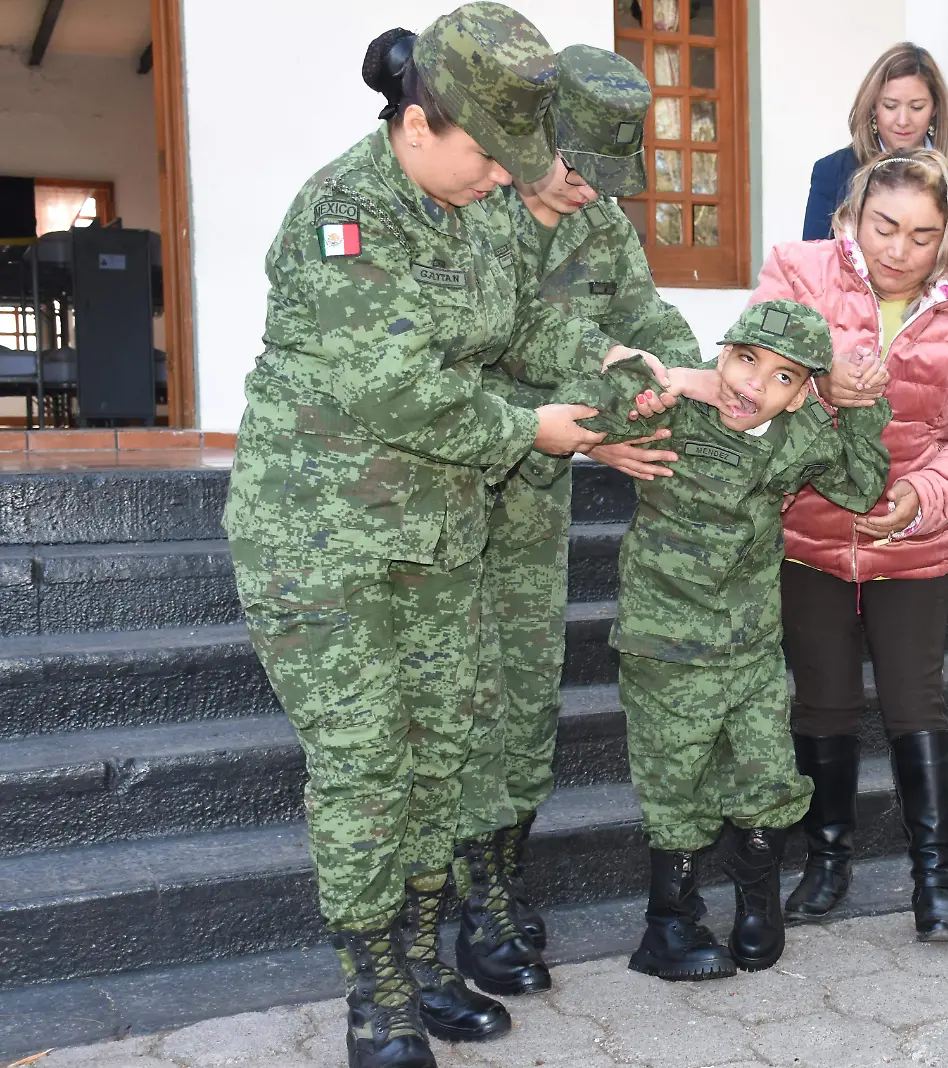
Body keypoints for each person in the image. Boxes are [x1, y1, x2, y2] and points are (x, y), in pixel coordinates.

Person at [222, 7, 655, 1067]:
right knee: (369, 764)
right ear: (419, 122)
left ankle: (421, 967)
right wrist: (536, 428)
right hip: (322, 549)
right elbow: (402, 392)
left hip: (436, 537)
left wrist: (629, 369)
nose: (506, 179)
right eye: (490, 158)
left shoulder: (471, 209)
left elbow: (528, 326)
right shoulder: (342, 216)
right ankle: (374, 1000)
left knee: (439, 758)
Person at [561, 300, 892, 980]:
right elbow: (593, 407)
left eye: (782, 377)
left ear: (804, 393)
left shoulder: (800, 435)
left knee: (768, 775)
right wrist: (674, 380)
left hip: (749, 644)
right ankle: (668, 926)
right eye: (745, 359)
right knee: (674, 781)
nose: (753, 385)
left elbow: (861, 487)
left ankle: (756, 902)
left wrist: (858, 403)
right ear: (724, 354)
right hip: (666, 643)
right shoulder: (674, 410)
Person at [478, 42, 701, 958]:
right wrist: (611, 385)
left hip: (533, 502)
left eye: (609, 176)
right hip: (444, 492)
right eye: (576, 166)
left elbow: (648, 324)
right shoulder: (469, 205)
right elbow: (513, 342)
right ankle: (457, 901)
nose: (586, 189)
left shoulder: (599, 221)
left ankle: (497, 886)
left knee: (528, 697)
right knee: (460, 698)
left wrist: (703, 381)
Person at [761, 149, 948, 942]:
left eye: (922, 233)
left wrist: (925, 495)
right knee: (823, 702)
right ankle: (828, 862)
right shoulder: (797, 270)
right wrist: (813, 380)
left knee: (916, 702)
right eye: (884, 227)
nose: (898, 249)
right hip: (809, 533)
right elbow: (747, 374)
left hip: (916, 537)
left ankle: (936, 881)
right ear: (854, 213)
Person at [801, 43, 948, 276]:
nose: (903, 120)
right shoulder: (833, 170)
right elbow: (812, 267)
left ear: (935, 109)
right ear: (872, 107)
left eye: (916, 107)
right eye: (890, 106)